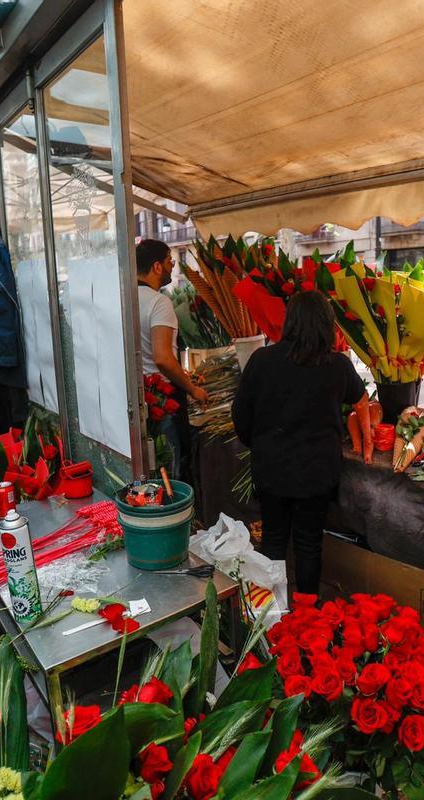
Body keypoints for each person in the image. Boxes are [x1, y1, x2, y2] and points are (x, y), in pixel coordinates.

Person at [231, 292, 372, 595]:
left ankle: (274, 613)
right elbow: (362, 400)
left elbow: (240, 416)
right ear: (327, 325)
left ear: (290, 322)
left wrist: (259, 443)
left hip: (272, 468)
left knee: (273, 540)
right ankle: (307, 614)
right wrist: (365, 440)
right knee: (309, 542)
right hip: (317, 472)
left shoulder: (262, 360)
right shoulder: (337, 365)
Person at [137, 239, 209, 477]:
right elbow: (162, 358)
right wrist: (192, 389)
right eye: (170, 261)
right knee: (169, 469)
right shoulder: (159, 302)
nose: (172, 266)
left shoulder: (125, 300)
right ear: (157, 266)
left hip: (135, 397)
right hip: (161, 400)